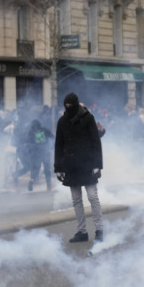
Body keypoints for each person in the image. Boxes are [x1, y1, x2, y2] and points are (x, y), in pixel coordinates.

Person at [54, 93, 104, 243]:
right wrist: (58, 167)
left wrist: (97, 164)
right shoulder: (62, 121)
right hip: (71, 165)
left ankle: (99, 230)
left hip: (88, 164)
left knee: (93, 197)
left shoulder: (88, 118)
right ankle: (82, 232)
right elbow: (59, 145)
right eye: (66, 106)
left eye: (71, 106)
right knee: (76, 200)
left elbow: (96, 142)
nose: (68, 108)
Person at [26, 119, 54, 192]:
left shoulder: (31, 132)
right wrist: (51, 146)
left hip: (36, 153)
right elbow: (52, 136)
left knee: (35, 169)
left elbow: (29, 143)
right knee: (47, 169)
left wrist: (30, 152)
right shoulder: (44, 130)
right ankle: (48, 185)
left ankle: (32, 180)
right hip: (45, 152)